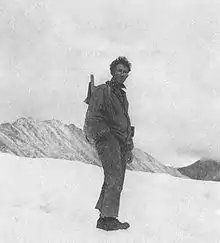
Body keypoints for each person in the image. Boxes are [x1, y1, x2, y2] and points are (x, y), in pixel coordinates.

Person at [83, 56, 135, 231]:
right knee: (114, 178)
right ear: (113, 71)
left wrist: (128, 145)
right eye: (119, 70)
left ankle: (104, 216)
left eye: (125, 71)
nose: (123, 73)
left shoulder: (122, 95)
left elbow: (124, 122)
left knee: (115, 179)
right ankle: (108, 219)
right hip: (108, 140)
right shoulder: (103, 91)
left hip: (120, 142)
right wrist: (105, 136)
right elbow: (93, 116)